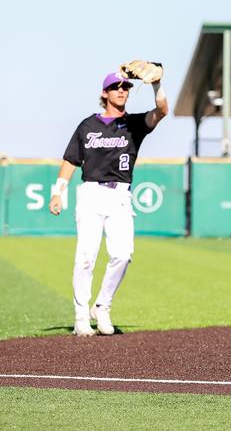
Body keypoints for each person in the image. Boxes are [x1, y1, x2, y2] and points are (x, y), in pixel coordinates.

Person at [49, 71, 168, 336]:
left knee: (123, 255)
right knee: (85, 258)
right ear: (105, 93)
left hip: (120, 196)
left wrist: (157, 85)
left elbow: (162, 111)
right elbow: (71, 160)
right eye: (116, 87)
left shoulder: (134, 124)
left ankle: (102, 306)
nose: (122, 90)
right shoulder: (87, 125)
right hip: (91, 193)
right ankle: (81, 316)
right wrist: (58, 192)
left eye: (126, 87)